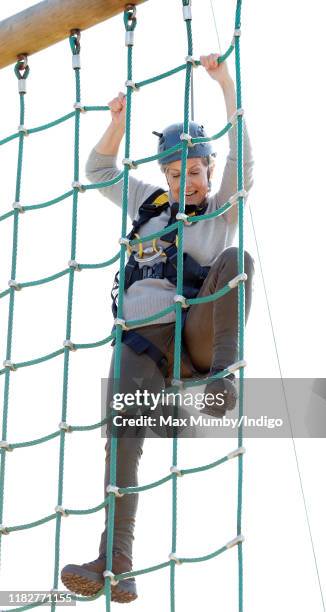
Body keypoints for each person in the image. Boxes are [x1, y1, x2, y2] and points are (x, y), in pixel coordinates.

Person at [61, 53, 255, 603]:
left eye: (192, 172)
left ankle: (223, 378)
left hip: (190, 336)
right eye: (175, 174)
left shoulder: (219, 211)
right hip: (139, 342)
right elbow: (99, 173)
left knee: (236, 261)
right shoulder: (148, 204)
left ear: (207, 171)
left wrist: (224, 84)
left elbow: (245, 155)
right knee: (121, 440)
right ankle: (116, 561)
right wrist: (117, 124)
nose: (184, 182)